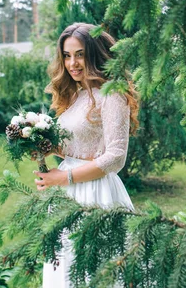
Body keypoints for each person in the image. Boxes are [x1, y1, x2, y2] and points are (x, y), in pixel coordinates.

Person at [34, 22, 139, 287]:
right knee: (66, 267)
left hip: (96, 193)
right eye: (67, 56)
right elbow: (81, 147)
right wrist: (46, 146)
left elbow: (115, 156)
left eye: (79, 54)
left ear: (96, 53)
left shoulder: (112, 93)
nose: (72, 63)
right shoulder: (79, 94)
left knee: (95, 270)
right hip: (69, 191)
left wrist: (63, 177)